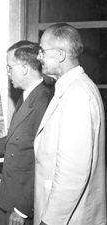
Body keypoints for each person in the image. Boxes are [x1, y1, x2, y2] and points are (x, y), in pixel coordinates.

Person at [0, 40, 54, 225]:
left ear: (24, 68)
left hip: (22, 202)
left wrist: (23, 209)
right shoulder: (28, 95)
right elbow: (21, 138)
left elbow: (42, 160)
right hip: (11, 193)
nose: (8, 73)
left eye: (10, 67)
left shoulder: (43, 101)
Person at [34, 23, 107, 225]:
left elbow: (73, 173)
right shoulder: (70, 89)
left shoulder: (78, 95)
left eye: (42, 51)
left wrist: (50, 221)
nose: (38, 57)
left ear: (60, 54)